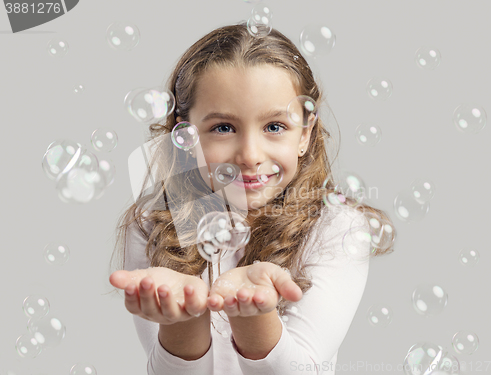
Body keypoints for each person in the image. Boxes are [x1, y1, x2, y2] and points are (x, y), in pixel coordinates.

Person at [108, 22, 395, 375]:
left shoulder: (336, 227)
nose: (250, 154)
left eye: (275, 127)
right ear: (185, 134)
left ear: (304, 133)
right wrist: (184, 319)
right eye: (223, 128)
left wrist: (253, 316)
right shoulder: (154, 224)